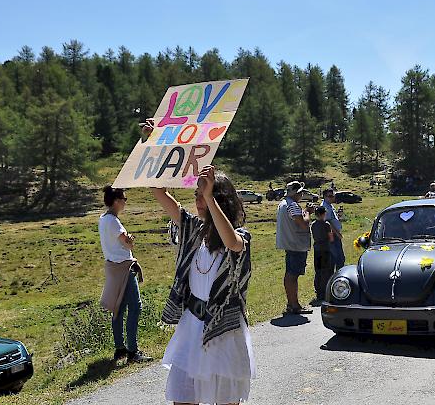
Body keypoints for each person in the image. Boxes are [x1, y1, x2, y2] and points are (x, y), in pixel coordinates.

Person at [149, 163, 255, 405]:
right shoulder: (194, 229)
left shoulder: (241, 236)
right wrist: (154, 144)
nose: (198, 201)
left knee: (226, 400)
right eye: (196, 195)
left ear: (221, 200)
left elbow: (232, 243)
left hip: (223, 331)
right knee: (182, 397)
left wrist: (209, 197)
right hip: (192, 326)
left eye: (204, 195)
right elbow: (158, 191)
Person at [98, 186, 151, 363]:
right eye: (124, 199)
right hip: (124, 268)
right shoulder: (114, 221)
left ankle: (120, 348)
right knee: (135, 306)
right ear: (116, 201)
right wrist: (131, 241)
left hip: (112, 267)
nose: (125, 203)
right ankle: (133, 351)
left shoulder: (103, 219)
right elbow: (128, 244)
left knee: (117, 308)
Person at [276, 181, 313, 315]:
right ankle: (294, 305)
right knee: (293, 275)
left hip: (290, 243)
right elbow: (303, 224)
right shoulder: (292, 205)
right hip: (296, 244)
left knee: (290, 274)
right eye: (300, 192)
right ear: (296, 193)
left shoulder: (284, 204)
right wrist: (308, 213)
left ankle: (292, 303)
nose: (302, 194)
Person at [311, 206, 334, 303]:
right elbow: (331, 238)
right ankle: (325, 292)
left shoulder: (313, 224)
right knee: (326, 270)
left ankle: (318, 291)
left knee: (318, 270)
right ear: (323, 214)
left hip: (317, 248)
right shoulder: (326, 224)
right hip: (325, 249)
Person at [321, 188, 345, 271]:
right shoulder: (325, 207)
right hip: (332, 235)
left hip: (334, 234)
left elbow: (332, 219)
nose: (332, 198)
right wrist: (337, 233)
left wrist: (339, 215)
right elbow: (327, 223)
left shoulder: (330, 205)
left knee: (339, 258)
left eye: (333, 196)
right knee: (338, 258)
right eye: (330, 196)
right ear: (324, 197)